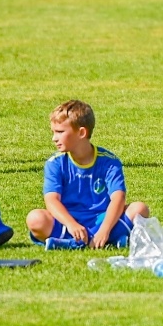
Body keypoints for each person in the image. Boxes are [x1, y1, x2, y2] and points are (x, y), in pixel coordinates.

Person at [27, 100, 151, 249]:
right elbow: (52, 200)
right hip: (69, 222)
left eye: (60, 132)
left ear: (81, 133)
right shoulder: (55, 163)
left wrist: (104, 230)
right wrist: (72, 224)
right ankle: (110, 241)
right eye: (53, 132)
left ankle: (72, 243)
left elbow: (118, 198)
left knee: (140, 209)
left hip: (102, 220)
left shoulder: (109, 161)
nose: (54, 138)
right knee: (35, 219)